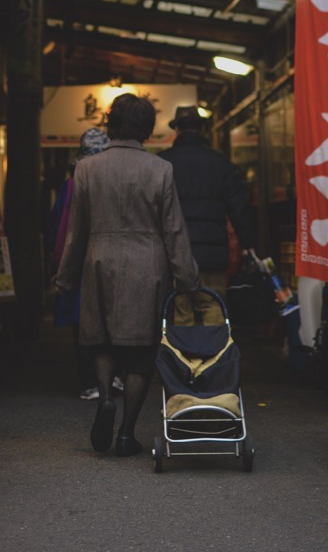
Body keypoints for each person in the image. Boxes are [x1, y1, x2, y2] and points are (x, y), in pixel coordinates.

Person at [55, 93, 199, 457]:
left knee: (101, 341)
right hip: (146, 267)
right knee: (140, 355)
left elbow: (77, 230)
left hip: (99, 262)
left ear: (111, 123)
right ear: (147, 128)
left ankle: (105, 397)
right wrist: (187, 279)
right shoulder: (160, 170)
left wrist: (65, 278)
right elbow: (174, 230)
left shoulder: (86, 169)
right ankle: (126, 433)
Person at [46, 127, 123, 400]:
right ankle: (114, 377)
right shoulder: (116, 179)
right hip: (113, 260)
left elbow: (59, 228)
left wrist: (58, 265)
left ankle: (91, 381)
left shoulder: (71, 183)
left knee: (83, 322)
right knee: (112, 319)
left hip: (79, 262)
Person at [158, 105, 255, 322]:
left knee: (182, 312)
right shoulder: (222, 164)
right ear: (202, 129)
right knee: (213, 309)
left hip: (176, 257)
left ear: (177, 130)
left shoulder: (162, 163)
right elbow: (239, 208)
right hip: (213, 257)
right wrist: (249, 244)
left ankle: (185, 356)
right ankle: (212, 355)